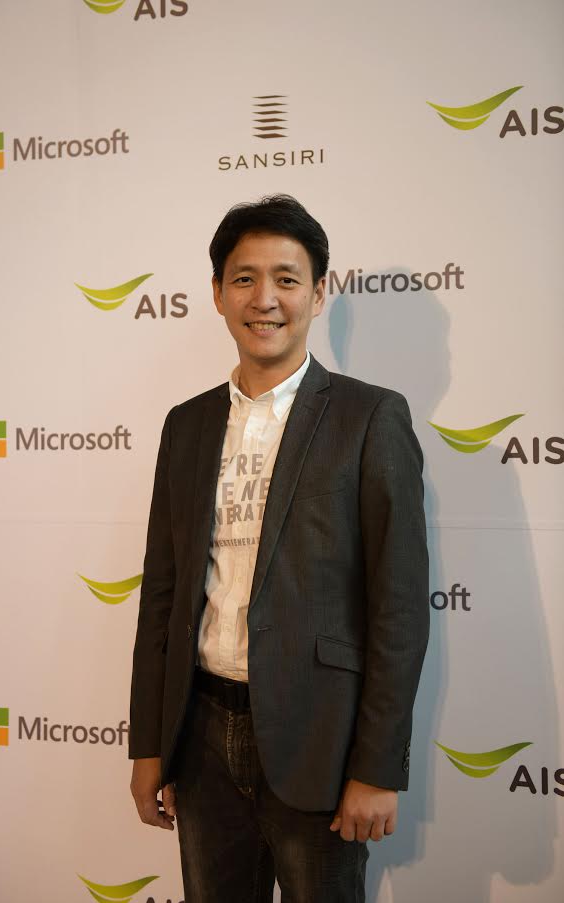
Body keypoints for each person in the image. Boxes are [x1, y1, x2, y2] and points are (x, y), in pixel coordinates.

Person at [129, 194, 429, 902]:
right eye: (244, 278)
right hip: (201, 737)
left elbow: (399, 608)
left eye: (287, 279)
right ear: (217, 293)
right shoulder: (186, 424)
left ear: (318, 294)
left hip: (321, 741)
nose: (264, 299)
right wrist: (149, 744)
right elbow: (162, 596)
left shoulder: (369, 416)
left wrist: (376, 766)